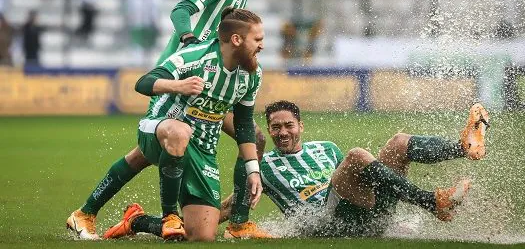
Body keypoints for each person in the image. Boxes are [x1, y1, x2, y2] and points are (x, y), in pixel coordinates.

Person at [66, 0, 300, 240]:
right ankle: (180, 219)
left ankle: (97, 215)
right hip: (183, 79)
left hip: (209, 81)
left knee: (156, 152)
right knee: (159, 146)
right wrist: (191, 43)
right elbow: (182, 9)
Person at [100, 100, 489, 239]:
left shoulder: (326, 149)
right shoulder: (262, 168)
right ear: (268, 132)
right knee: (356, 155)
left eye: (288, 126)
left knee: (399, 142)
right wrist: (159, 223)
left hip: (364, 211)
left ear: (300, 126)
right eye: (275, 128)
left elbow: (362, 176)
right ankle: (430, 202)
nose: (282, 132)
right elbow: (223, 213)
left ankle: (463, 144)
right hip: (324, 221)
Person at [67, 7, 265, 241]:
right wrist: (178, 86)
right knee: (179, 132)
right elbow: (143, 83)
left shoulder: (252, 74)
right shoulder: (196, 57)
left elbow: (242, 123)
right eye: (258, 39)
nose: (262, 45)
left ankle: (136, 221)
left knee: (201, 237)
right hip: (159, 129)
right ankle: (169, 215)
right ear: (236, 40)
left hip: (203, 150)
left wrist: (253, 171)